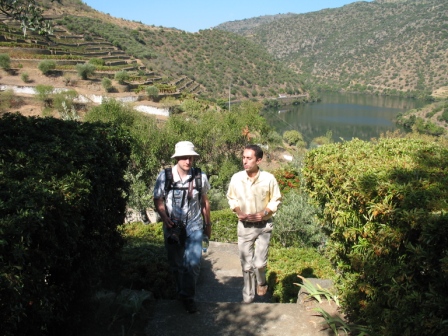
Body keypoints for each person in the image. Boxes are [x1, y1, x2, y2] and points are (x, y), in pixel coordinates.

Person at [153, 141, 211, 313]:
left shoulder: (200, 177)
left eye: (191, 157)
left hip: (194, 224)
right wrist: (164, 218)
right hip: (172, 225)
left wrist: (207, 224)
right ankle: (181, 292)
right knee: (176, 264)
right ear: (177, 158)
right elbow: (158, 199)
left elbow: (204, 201)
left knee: (193, 263)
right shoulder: (165, 176)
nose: (188, 161)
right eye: (184, 157)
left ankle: (188, 297)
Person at [226, 144, 282, 303]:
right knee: (246, 266)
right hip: (244, 227)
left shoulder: (269, 179)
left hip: (264, 227)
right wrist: (238, 211)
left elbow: (275, 199)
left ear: (259, 160)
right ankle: (248, 299)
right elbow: (231, 198)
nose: (245, 161)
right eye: (243, 157)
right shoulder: (236, 178)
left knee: (259, 264)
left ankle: (262, 281)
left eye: (249, 158)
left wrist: (263, 213)